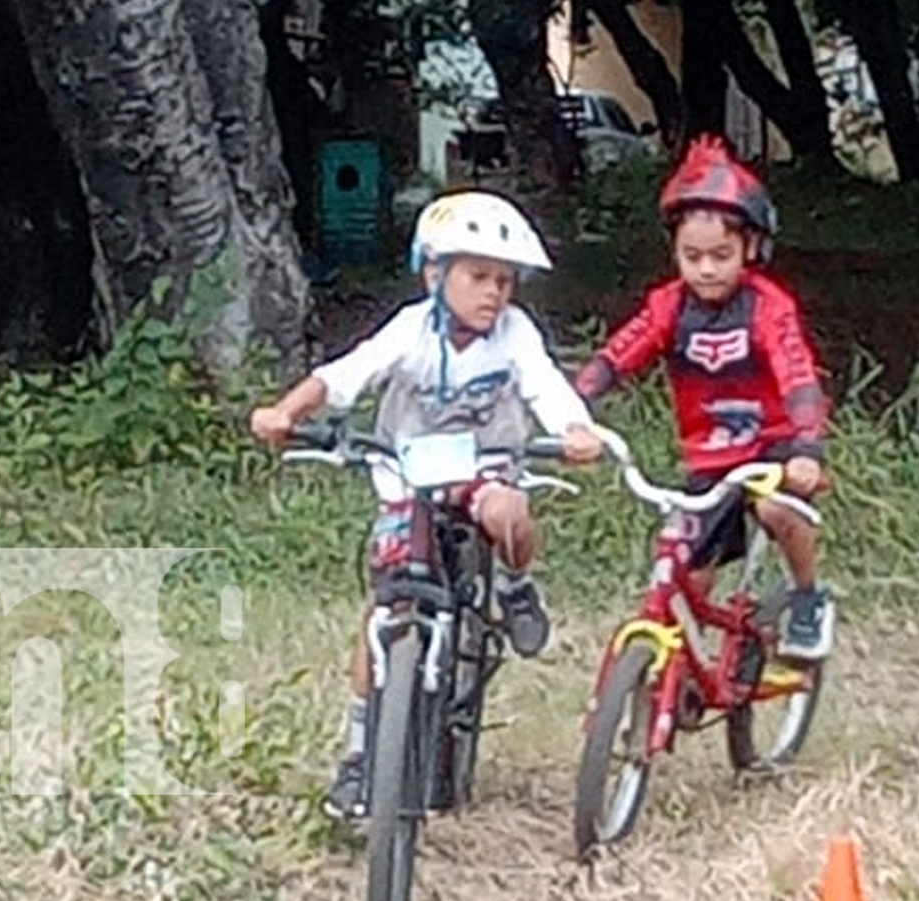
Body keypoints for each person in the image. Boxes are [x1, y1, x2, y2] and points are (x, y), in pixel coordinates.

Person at [250, 189, 602, 819]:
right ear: (435, 273)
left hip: (484, 473)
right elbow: (343, 375)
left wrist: (574, 429)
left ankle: (517, 586)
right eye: (477, 276)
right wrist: (286, 412)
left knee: (507, 514)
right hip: (409, 478)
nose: (493, 293)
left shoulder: (515, 335)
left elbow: (547, 386)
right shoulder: (412, 328)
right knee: (383, 611)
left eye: (504, 280)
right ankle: (360, 753)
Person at [572, 134, 835, 662]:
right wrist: (572, 406)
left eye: (721, 255)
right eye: (692, 256)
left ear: (752, 249)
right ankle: (683, 670)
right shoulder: (668, 306)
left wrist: (807, 448)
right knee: (687, 573)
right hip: (710, 457)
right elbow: (620, 352)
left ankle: (808, 598)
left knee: (779, 513)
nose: (706, 269)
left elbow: (797, 373)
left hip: (774, 445)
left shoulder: (767, 307)